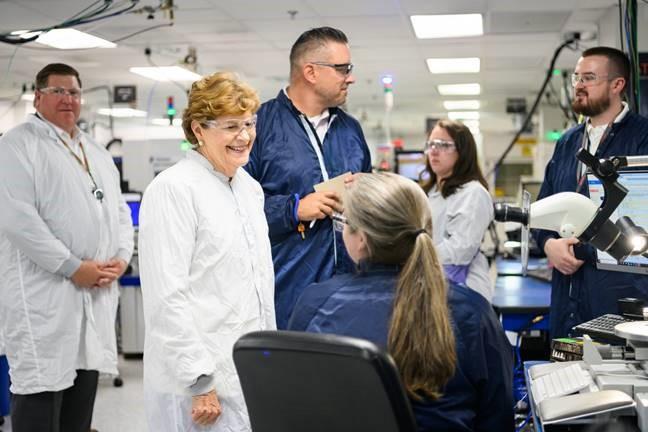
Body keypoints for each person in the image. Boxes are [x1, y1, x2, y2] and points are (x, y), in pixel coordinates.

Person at [288, 173, 514, 432]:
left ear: (360, 239)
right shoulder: (472, 314)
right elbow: (498, 419)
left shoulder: (314, 304)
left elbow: (298, 406)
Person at [0, 63, 134, 432]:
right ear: (38, 96)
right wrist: (74, 266)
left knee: (81, 403)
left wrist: (121, 259)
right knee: (41, 399)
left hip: (93, 298)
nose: (68, 100)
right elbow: (19, 222)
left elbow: (119, 210)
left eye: (74, 92)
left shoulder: (94, 150)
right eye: (58, 92)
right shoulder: (16, 147)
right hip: (45, 299)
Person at [138, 72, 275, 432]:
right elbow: (167, 296)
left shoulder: (249, 189)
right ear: (199, 130)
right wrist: (199, 380)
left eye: (249, 123)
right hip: (199, 384)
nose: (244, 136)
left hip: (247, 370)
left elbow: (258, 286)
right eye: (231, 126)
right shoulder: (173, 189)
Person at [245, 26, 372, 329]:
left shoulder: (351, 130)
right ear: (311, 72)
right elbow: (234, 211)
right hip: (288, 294)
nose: (350, 77)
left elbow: (369, 193)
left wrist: (365, 193)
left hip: (351, 290)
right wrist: (293, 209)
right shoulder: (258, 128)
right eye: (343, 69)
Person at [533, 46, 648, 338]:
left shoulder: (643, 138)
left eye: (589, 78)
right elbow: (543, 209)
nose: (579, 85)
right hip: (566, 292)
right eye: (576, 78)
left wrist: (581, 248)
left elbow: (639, 220)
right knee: (565, 374)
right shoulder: (568, 143)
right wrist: (549, 245)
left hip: (621, 293)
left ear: (617, 85)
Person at [420, 119, 494, 301]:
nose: (434, 151)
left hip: (463, 292)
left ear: (463, 151)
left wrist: (415, 256)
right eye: (431, 144)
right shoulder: (426, 193)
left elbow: (460, 250)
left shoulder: (473, 193)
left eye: (444, 145)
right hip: (429, 285)